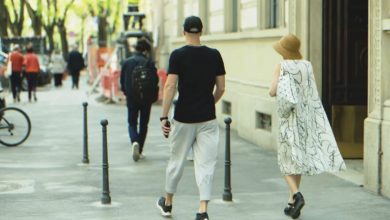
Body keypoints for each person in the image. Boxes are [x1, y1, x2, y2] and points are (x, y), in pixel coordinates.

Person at [269, 34, 346, 219]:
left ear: (284, 51)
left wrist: (275, 88)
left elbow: (272, 91)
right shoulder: (307, 65)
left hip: (289, 119)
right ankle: (291, 203)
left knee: (286, 162)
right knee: (299, 160)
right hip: (305, 119)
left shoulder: (281, 66)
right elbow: (311, 93)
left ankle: (296, 195)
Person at [156, 16, 225, 220]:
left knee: (176, 162)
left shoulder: (178, 55)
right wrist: (209, 102)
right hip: (208, 119)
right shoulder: (214, 55)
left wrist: (163, 117)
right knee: (206, 164)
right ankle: (202, 210)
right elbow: (221, 88)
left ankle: (168, 204)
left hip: (184, 118)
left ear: (184, 32)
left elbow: (170, 86)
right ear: (201, 32)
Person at [120, 38, 158, 162]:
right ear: (146, 50)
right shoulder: (149, 63)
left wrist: (126, 93)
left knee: (132, 122)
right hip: (146, 98)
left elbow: (122, 81)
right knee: (143, 124)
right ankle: (140, 149)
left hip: (131, 97)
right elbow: (155, 81)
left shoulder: (126, 62)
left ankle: (134, 141)